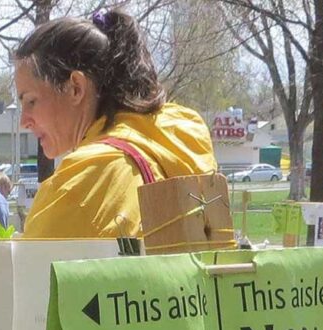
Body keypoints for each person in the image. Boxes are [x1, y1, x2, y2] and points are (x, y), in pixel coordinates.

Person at [13, 9, 217, 239]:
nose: (24, 121)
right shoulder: (185, 136)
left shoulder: (81, 183)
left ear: (75, 88)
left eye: (31, 101)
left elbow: (33, 269)